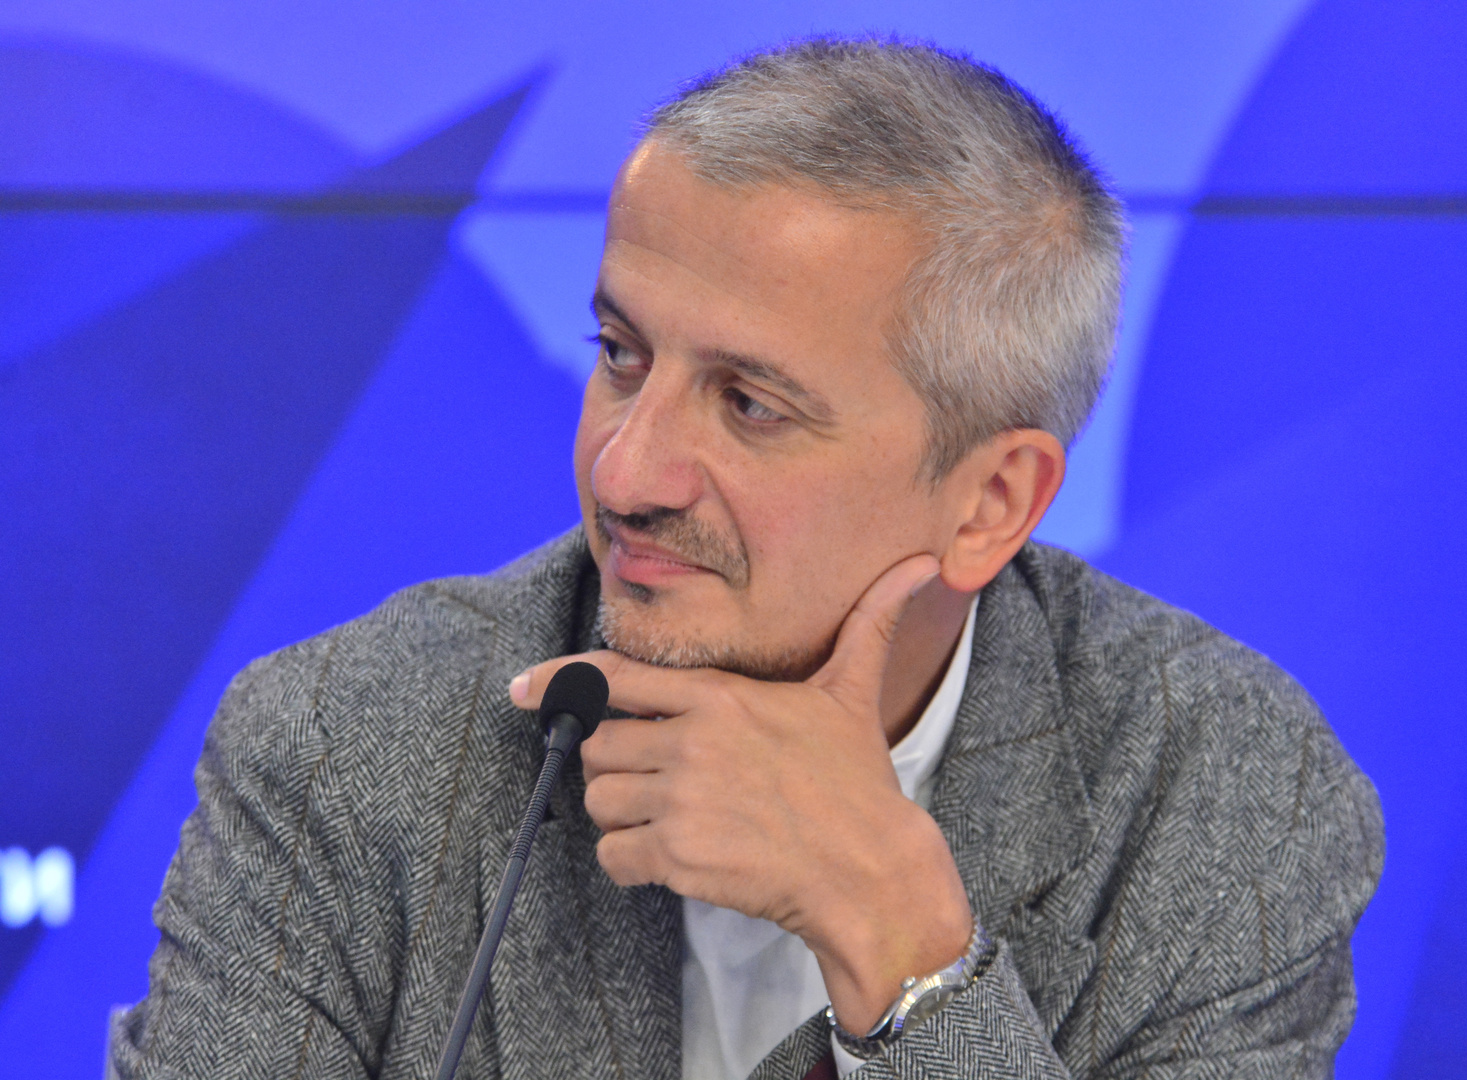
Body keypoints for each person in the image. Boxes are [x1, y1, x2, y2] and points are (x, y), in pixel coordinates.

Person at [110, 37, 1382, 1080]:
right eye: (621, 355)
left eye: (750, 405)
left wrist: (909, 955)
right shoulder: (344, 745)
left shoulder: (1219, 796)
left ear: (991, 501)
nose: (623, 475)